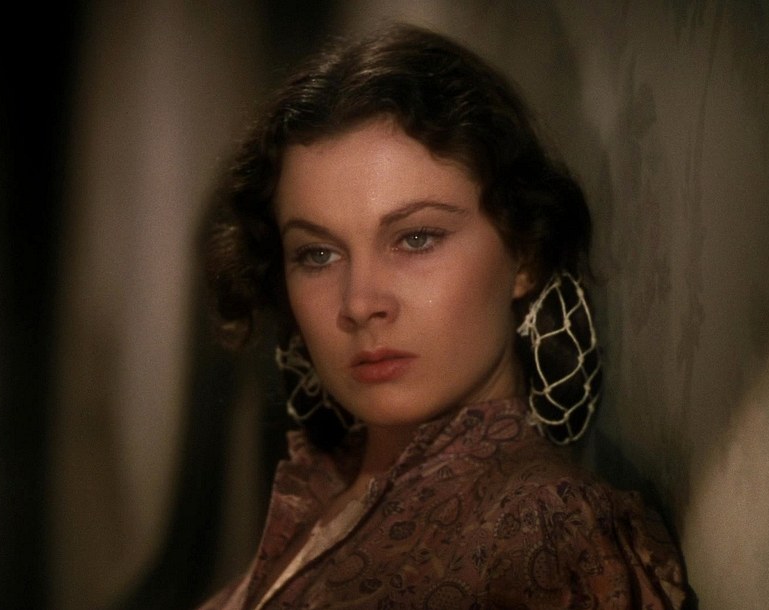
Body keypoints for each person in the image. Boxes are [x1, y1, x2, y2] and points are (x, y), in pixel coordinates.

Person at [198, 22, 693, 609]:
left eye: (417, 239)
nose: (359, 303)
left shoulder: (546, 530)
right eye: (317, 254)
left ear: (524, 254)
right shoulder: (324, 491)